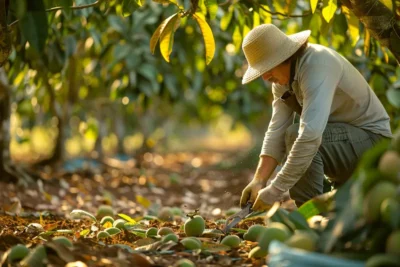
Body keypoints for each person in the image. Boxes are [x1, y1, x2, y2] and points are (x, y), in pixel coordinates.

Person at [239, 24, 392, 211]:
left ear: (285, 56)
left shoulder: (317, 65)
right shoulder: (283, 79)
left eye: (267, 68)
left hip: (372, 142)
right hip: (341, 144)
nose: (265, 77)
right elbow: (276, 130)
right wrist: (259, 180)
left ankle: (310, 217)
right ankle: (321, 212)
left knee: (296, 135)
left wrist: (275, 189)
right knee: (291, 134)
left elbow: (310, 134)